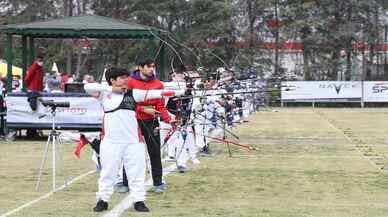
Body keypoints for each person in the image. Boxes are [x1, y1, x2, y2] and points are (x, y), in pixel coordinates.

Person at [84, 67, 184, 212]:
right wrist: (112, 89)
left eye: (127, 77)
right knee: (108, 173)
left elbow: (155, 93)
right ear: (112, 80)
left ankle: (139, 200)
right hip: (110, 142)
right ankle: (103, 200)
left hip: (133, 142)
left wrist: (179, 92)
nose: (126, 80)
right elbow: (87, 87)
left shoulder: (134, 94)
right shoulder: (104, 94)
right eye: (122, 78)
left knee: (136, 172)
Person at [126, 58, 177, 193]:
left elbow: (160, 105)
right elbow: (126, 102)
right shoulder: (130, 82)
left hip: (151, 121)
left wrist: (168, 119)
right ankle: (125, 182)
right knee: (130, 152)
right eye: (148, 66)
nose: (151, 69)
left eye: (153, 67)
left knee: (154, 152)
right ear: (140, 67)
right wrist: (143, 109)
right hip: (133, 120)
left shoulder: (158, 84)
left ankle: (158, 182)